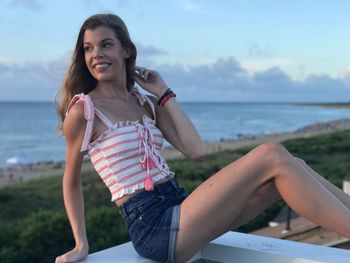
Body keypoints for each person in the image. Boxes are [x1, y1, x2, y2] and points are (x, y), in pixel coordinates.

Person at [55, 13, 350, 263]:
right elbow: (70, 180)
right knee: (271, 153)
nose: (96, 55)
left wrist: (164, 93)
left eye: (106, 45)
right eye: (88, 48)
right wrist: (81, 243)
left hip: (180, 206)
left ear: (126, 51)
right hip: (152, 225)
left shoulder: (144, 102)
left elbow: (195, 149)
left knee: (288, 168)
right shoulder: (84, 110)